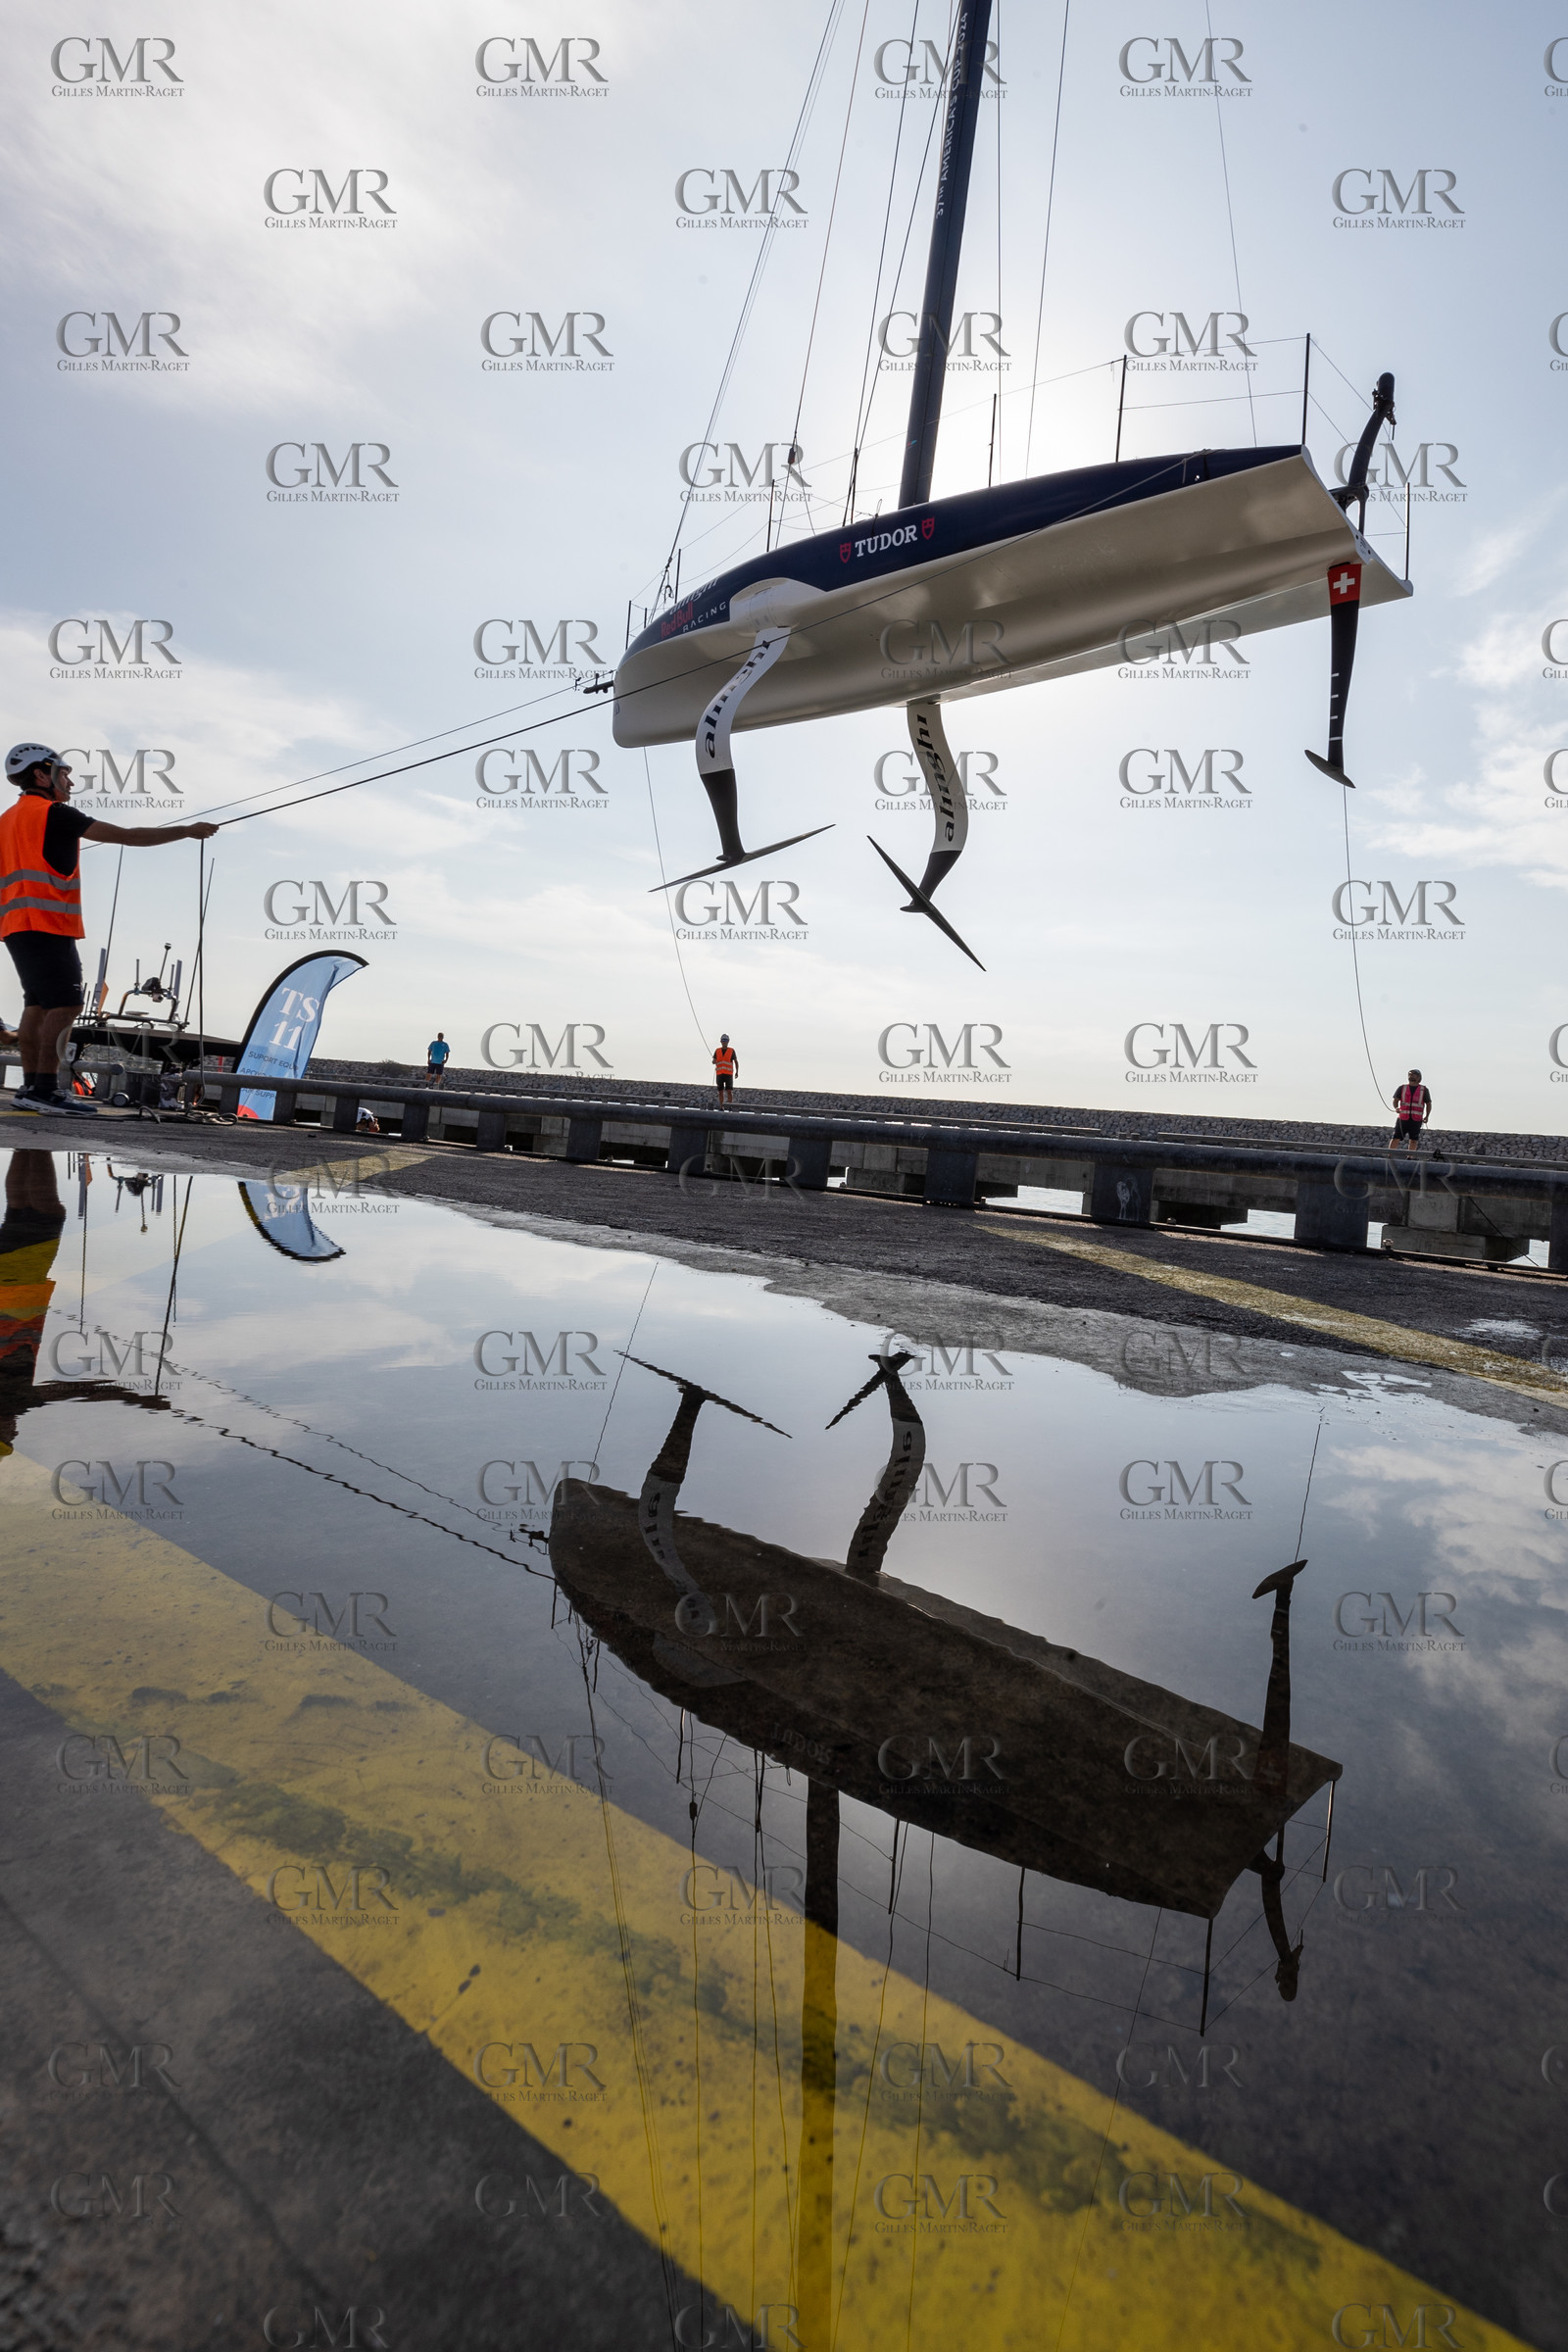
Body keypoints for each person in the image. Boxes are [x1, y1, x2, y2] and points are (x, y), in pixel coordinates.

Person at [1, 744, 217, 1117]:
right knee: (66, 1003)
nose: (69, 780)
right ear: (41, 774)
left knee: (37, 1004)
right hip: (48, 923)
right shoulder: (56, 813)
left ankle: (32, 1088)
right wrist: (186, 831)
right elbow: (127, 835)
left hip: (17, 924)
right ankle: (44, 1089)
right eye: (63, 773)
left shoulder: (7, 819)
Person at [1389, 1067, 1431, 1153]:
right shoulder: (1402, 1088)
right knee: (1395, 1138)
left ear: (1418, 1077)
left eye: (1413, 1074)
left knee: (1414, 1140)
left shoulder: (1424, 1090)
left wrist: (1427, 1116)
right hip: (1403, 1118)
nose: (1411, 1075)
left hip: (1416, 1119)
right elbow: (1395, 1100)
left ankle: (1410, 1157)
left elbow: (1428, 1103)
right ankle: (1390, 1156)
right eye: (1410, 1074)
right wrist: (1396, 1108)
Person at [712, 1033, 737, 1101]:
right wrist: (714, 1061)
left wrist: (737, 1072)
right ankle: (721, 1107)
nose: (724, 1042)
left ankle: (730, 1107)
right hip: (719, 1074)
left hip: (728, 1074)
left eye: (725, 1040)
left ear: (728, 1041)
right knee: (720, 1091)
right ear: (721, 1041)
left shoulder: (731, 1051)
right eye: (723, 1040)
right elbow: (714, 1060)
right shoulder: (717, 1050)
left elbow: (736, 1061)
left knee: (729, 1091)